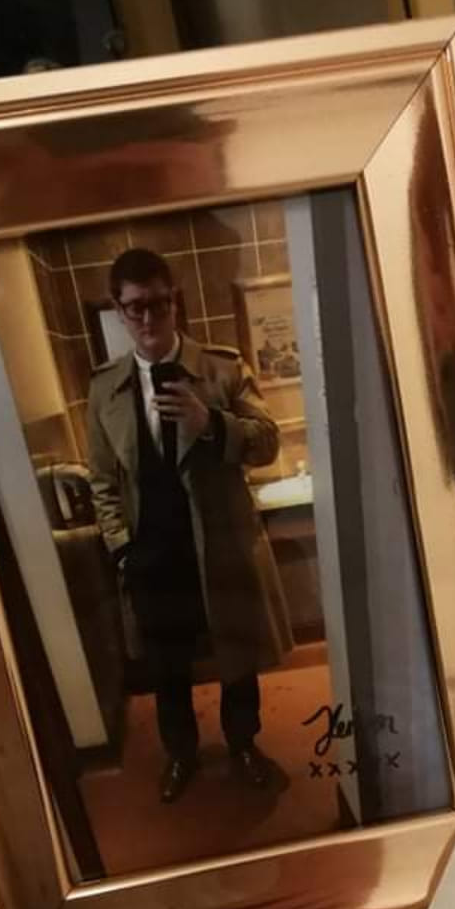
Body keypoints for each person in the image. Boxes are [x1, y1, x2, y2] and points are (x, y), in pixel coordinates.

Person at [86, 247, 292, 802]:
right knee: (167, 668)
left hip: (219, 546)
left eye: (158, 303)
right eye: (135, 307)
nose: (148, 318)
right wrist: (122, 550)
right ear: (119, 310)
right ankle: (181, 754)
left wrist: (212, 424)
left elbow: (268, 444)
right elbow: (102, 480)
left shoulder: (222, 369)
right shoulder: (105, 389)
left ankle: (244, 744)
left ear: (174, 301)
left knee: (236, 656)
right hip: (151, 555)